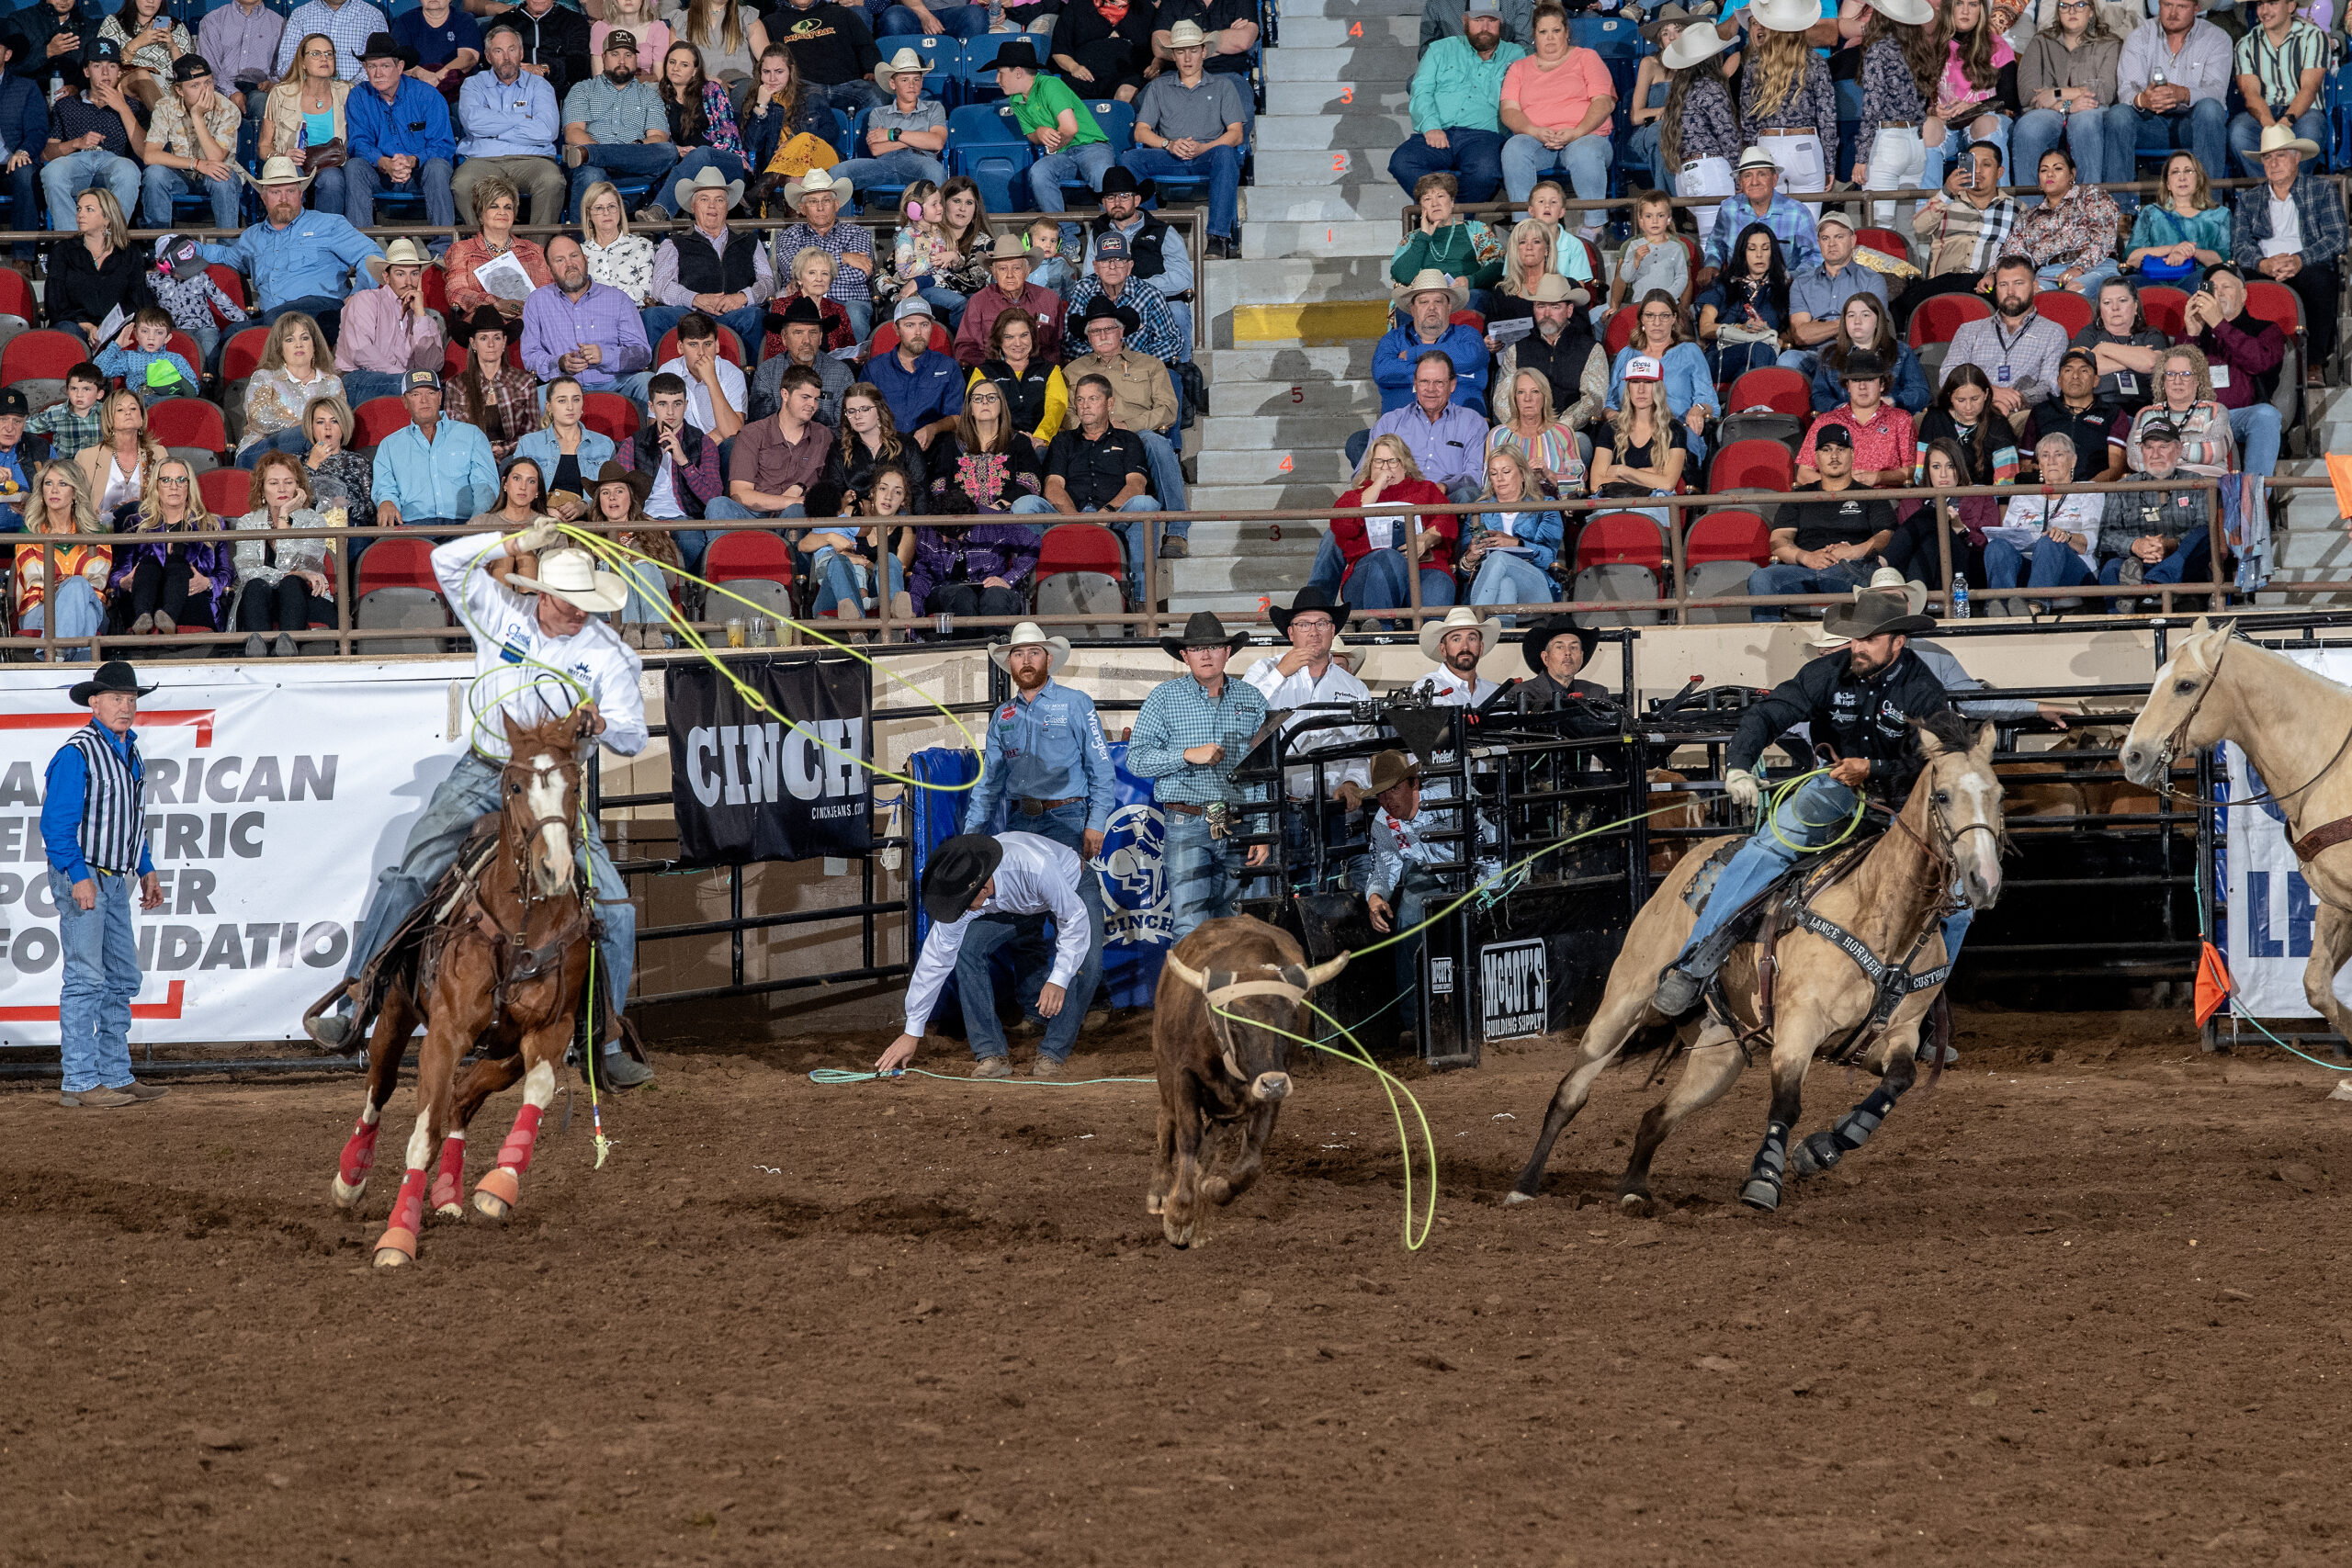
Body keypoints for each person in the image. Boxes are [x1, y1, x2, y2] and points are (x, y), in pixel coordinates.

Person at [308, 519, 649, 1089]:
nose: (580, 613)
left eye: (587, 604)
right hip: (485, 770)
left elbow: (635, 734)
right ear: (544, 594)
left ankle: (602, 1040)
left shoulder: (608, 653)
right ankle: (356, 997)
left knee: (614, 908)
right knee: (411, 873)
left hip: (552, 788)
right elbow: (446, 564)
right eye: (571, 602)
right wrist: (513, 544)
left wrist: (603, 722)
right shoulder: (502, 614)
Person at [1651, 587, 1957, 1016]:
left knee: (1955, 899)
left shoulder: (1923, 689)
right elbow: (1769, 713)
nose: (1857, 647)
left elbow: (1939, 757)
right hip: (1835, 790)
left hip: (1902, 802)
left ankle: (1919, 1007)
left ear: (1897, 642)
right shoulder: (1827, 672)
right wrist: (1739, 765)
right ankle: (1693, 963)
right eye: (1854, 638)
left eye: (1868, 639)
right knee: (1763, 851)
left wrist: (1874, 769)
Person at [876, 829, 1104, 1079]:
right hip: (1016, 903)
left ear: (983, 889)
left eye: (964, 905)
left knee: (1087, 967)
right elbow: (936, 957)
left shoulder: (1032, 866)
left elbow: (1073, 917)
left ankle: (1052, 1054)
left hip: (1072, 884)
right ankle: (991, 1054)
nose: (960, 911)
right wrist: (913, 1029)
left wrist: (1058, 979)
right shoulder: (965, 887)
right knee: (967, 948)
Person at [42, 660, 168, 1110]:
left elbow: (132, 821)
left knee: (121, 977)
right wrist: (78, 877)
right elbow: (56, 826)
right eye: (118, 698)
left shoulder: (128, 752)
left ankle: (114, 1074)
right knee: (86, 978)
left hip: (115, 877)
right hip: (89, 875)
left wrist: (146, 866)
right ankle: (79, 1081)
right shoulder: (77, 753)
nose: (127, 707)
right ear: (94, 703)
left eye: (132, 699)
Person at [1126, 611, 1272, 939]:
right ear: (1185, 655)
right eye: (1197, 648)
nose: (1206, 654)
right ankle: (1193, 993)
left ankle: (1228, 992)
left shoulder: (1252, 698)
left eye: (1214, 646)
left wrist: (1263, 829)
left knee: (1239, 929)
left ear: (1227, 651)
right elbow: (1136, 760)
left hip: (1240, 824)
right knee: (1190, 928)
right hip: (1187, 822)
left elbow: (1263, 768)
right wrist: (1186, 756)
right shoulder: (1164, 698)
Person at [1240, 586, 1376, 882]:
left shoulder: (1354, 688)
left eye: (1322, 624)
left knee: (1327, 890)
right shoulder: (1262, 671)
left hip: (1331, 809)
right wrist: (1280, 673)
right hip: (1276, 806)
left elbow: (1363, 747)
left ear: (1332, 631)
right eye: (1304, 624)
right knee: (1276, 892)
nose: (1313, 632)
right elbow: (1240, 722)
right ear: (1291, 633)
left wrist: (1353, 781)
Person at [194, 155, 388, 344]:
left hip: (323, 312)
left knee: (281, 318)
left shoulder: (328, 224)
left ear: (301, 194)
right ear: (264, 197)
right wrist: (190, 247)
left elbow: (371, 255)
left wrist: (359, 294)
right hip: (274, 319)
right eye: (275, 192)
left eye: (290, 191)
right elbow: (226, 256)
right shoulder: (252, 237)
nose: (284, 199)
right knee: (231, 334)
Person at [962, 620, 1115, 859]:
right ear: (1010, 663)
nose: (1026, 661)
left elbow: (1101, 766)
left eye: (1034, 652)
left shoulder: (1076, 703)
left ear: (1048, 659)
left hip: (1067, 817)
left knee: (1076, 892)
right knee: (1024, 893)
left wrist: (1096, 823)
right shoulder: (1002, 715)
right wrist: (972, 832)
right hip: (1020, 819)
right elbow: (989, 780)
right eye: (1019, 654)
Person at [1122, 19, 1248, 257]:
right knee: (1130, 159)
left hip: (1208, 155)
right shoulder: (1159, 87)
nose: (1187, 58)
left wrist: (1204, 148)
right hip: (1170, 155)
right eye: (1181, 52)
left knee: (1226, 153)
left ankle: (1218, 237)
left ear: (1203, 52)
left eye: (1193, 51)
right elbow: (1141, 131)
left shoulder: (1223, 85)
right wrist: (1169, 144)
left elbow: (1236, 133)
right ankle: (1151, 232)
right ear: (1174, 56)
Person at [1060, 296, 1189, 526]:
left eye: (1109, 328)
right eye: (1095, 331)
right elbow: (1068, 412)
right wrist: (1094, 430)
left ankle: (1177, 531)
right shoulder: (1072, 370)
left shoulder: (1151, 365)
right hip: (1089, 437)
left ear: (1122, 332)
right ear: (1087, 337)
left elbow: (1168, 409)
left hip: (1138, 435)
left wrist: (1128, 427)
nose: (1102, 335)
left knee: (1158, 443)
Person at [1747, 424, 1896, 618]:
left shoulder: (1870, 495)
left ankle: (1869, 643)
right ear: (1816, 457)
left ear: (1852, 454)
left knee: (1877, 579)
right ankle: (1769, 644)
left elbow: (1886, 535)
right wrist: (1806, 557)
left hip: (1852, 570)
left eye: (1841, 449)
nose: (1834, 456)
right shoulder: (1800, 496)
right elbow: (1778, 540)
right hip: (1803, 570)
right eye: (1826, 450)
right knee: (1761, 578)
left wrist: (1852, 552)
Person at [2233, 120, 2346, 376]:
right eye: (2268, 157)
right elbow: (2239, 245)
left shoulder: (2321, 190)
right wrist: (2264, 264)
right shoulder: (2249, 199)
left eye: (2280, 156)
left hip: (2308, 264)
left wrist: (2298, 260)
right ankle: (2255, 365)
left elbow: (2337, 237)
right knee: (2243, 284)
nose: (2273, 163)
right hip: (2263, 266)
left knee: (2320, 281)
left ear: (2296, 158)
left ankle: (2314, 363)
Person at [1390, 0, 1521, 205]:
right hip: (1438, 132)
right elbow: (1421, 90)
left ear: (1501, 23)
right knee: (1402, 162)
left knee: (1485, 172)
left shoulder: (1516, 55)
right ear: (1465, 20)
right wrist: (1431, 126)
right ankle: (1448, 213)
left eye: (1492, 20)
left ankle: (1451, 219)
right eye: (1478, 20)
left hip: (1485, 137)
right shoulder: (1440, 49)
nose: (1485, 27)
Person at [1037, 374, 1159, 595]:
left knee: (1146, 504)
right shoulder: (1063, 441)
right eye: (1080, 400)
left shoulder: (1128, 439)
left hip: (1113, 517)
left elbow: (1136, 485)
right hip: (1068, 516)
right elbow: (1053, 486)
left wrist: (1105, 514)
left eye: (1092, 399)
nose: (1085, 406)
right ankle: (1034, 597)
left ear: (1109, 403)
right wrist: (1074, 520)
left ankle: (1142, 601)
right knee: (1026, 505)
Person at [990, 39, 1111, 246]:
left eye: (1001, 72)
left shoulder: (1050, 84)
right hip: (1064, 153)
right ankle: (1066, 237)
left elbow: (1070, 128)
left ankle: (1109, 233)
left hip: (1091, 146)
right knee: (1039, 173)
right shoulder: (1016, 98)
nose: (996, 79)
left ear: (1018, 72)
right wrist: (1040, 132)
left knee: (1101, 172)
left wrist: (1052, 145)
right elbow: (1031, 135)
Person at [1328, 434, 1457, 621]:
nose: (1385, 467)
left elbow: (1446, 520)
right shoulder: (1352, 497)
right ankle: (1381, 633)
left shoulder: (1426, 490)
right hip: (1368, 572)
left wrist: (1425, 539)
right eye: (1379, 462)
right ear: (1369, 465)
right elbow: (1343, 526)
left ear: (1405, 464)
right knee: (1388, 558)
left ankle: (1432, 642)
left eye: (1392, 461)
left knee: (1439, 584)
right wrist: (1378, 485)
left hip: (1423, 566)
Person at [2010, 0, 2130, 200]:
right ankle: (2030, 212)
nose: (2072, 10)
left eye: (2080, 4)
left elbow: (2105, 91)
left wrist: (2056, 95)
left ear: (2091, 11)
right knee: (2029, 126)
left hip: (2089, 109)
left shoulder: (2110, 43)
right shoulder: (2041, 41)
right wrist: (2067, 102)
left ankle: (2089, 206)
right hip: (2052, 111)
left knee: (2086, 122)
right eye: (2064, 5)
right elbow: (2027, 93)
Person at [643, 164, 771, 352]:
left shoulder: (750, 240)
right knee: (653, 317)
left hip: (734, 314)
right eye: (704, 199)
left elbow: (768, 282)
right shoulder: (674, 243)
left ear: (727, 207)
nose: (712, 205)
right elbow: (660, 287)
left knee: (755, 316)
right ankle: (660, 380)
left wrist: (743, 297)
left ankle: (753, 378)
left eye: (719, 200)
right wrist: (695, 299)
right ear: (693, 207)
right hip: (689, 315)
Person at [2184, 262, 2284, 491]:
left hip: (2241, 416)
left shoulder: (2265, 329)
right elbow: (2174, 383)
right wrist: (2190, 335)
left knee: (2266, 415)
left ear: (2243, 293)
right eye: (2212, 288)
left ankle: (2252, 505)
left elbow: (2260, 363)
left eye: (2226, 287)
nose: (2218, 293)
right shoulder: (2195, 331)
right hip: (2198, 417)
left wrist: (2219, 324)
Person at [453, 23, 566, 226]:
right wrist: (522, 118)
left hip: (532, 159)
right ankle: (483, 250)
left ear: (521, 53)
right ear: (488, 57)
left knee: (552, 181)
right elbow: (473, 123)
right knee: (462, 184)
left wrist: (493, 132)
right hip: (483, 160)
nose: (506, 57)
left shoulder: (540, 85)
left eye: (512, 49)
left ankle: (537, 252)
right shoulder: (473, 85)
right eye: (498, 51)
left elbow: (547, 131)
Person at [521, 233, 654, 404]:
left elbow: (641, 354)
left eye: (574, 256)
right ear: (549, 269)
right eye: (560, 260)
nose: (570, 265)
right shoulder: (537, 301)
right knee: (531, 399)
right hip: (562, 387)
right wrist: (559, 363)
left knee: (648, 383)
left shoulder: (618, 299)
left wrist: (605, 356)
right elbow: (530, 357)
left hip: (616, 383)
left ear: (585, 259)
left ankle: (657, 433)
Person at [2115, 0, 2231, 196]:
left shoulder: (2217, 38)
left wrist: (2183, 94)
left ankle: (2209, 208)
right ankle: (2119, 211)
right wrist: (2144, 99)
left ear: (2196, 8)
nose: (2173, 13)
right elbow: (2126, 89)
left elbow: (2217, 91)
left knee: (2210, 109)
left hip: (2192, 124)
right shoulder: (2139, 36)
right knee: (2117, 115)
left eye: (2181, 7)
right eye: (2167, 5)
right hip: (2150, 124)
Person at [370, 370, 497, 547]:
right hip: (413, 528)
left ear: (440, 397)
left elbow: (485, 486)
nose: (424, 400)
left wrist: (478, 520)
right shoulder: (389, 445)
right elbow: (385, 488)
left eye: (430, 393)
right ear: (405, 401)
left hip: (464, 524)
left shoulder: (472, 435)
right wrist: (386, 502)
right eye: (416, 394)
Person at [560, 28, 675, 223]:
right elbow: (573, 133)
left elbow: (658, 138)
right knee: (590, 174)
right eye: (615, 54)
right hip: (593, 171)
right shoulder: (583, 90)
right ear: (603, 57)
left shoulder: (649, 95)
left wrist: (620, 153)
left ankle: (596, 156)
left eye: (628, 55)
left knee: (668, 151)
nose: (622, 61)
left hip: (632, 169)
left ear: (636, 59)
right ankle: (578, 245)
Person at [343, 31, 455, 229]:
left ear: (400, 66)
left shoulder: (427, 95)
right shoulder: (358, 96)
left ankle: (444, 245)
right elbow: (358, 143)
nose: (378, 74)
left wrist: (412, 161)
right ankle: (362, 247)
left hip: (421, 173)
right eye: (372, 66)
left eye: (385, 66)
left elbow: (443, 145)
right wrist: (384, 162)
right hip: (380, 173)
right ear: (364, 68)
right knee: (354, 167)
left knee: (438, 167)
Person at [1939, 254, 2067, 424]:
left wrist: (2013, 400)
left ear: (2035, 287)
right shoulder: (1969, 330)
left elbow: (2051, 387)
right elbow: (1947, 376)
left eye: (2018, 283)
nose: (2010, 292)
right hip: (1971, 411)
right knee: (1925, 420)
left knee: (2023, 421)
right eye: (2003, 284)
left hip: (2020, 414)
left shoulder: (2053, 332)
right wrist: (1989, 394)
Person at [1984, 430, 2106, 607]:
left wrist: (2067, 537)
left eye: (2059, 455)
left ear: (2073, 461)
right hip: (2028, 567)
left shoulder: (2088, 491)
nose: (2052, 461)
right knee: (1997, 546)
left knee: (2050, 540)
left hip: (2072, 569)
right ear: (2039, 463)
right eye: (2045, 455)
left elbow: (2093, 541)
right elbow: (2008, 537)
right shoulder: (2022, 495)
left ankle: (2036, 606)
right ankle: (1999, 608)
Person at [109, 457, 230, 634]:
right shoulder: (135, 524)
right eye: (166, 480)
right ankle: (143, 621)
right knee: (148, 564)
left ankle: (168, 618)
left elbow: (226, 572)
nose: (175, 487)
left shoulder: (212, 525)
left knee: (178, 564)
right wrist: (123, 582)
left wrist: (208, 583)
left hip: (193, 601)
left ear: (190, 486)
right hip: (145, 601)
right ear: (155, 486)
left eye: (181, 480)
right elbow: (118, 572)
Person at [2097, 416, 2215, 596]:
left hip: (2182, 564)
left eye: (2163, 447)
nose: (2155, 454)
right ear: (2141, 451)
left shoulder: (2197, 483)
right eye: (2149, 447)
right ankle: (2119, 621)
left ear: (2178, 449)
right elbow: (2105, 536)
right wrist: (2134, 545)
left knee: (2204, 534)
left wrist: (2171, 544)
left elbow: (2204, 530)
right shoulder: (2122, 487)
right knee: (2111, 568)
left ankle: (2155, 581)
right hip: (2135, 561)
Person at [1898, 140, 2016, 320]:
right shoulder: (1947, 201)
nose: (1977, 171)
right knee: (1899, 306)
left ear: (2000, 172)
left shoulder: (2017, 209)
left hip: (1986, 284)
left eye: (1986, 165)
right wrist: (1947, 192)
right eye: (1973, 164)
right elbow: (1920, 226)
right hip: (1943, 282)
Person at [228, 451, 331, 656]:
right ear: (262, 489)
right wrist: (294, 573)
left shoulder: (314, 522)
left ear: (298, 486)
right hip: (258, 600)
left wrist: (284, 516)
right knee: (256, 585)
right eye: (274, 483)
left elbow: (291, 564)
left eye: (289, 482)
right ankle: (258, 652)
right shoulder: (248, 522)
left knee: (291, 585)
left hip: (303, 598)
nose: (282, 489)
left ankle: (287, 650)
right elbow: (247, 572)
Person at [709, 358, 828, 531]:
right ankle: (725, 556)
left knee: (798, 511)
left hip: (794, 518)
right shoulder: (753, 433)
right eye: (805, 397)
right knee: (718, 505)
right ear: (785, 394)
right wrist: (790, 500)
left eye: (816, 399)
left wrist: (798, 498)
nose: (812, 405)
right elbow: (740, 494)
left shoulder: (823, 436)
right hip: (754, 514)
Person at [40, 38, 143, 235]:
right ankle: (73, 242)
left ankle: (111, 240)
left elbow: (145, 151)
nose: (105, 73)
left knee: (129, 171)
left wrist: (122, 107)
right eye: (97, 66)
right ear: (87, 71)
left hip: (111, 162)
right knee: (52, 172)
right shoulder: (67, 104)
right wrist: (76, 143)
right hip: (76, 161)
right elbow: (47, 154)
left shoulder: (132, 106)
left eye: (112, 66)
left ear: (119, 72)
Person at [1851, 0, 1939, 228]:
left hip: (1887, 144)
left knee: (1881, 227)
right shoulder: (1921, 50)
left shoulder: (1879, 50)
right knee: (1907, 228)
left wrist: (1861, 157)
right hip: (1915, 145)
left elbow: (1872, 106)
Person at [1736, 0, 1836, 200]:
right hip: (1805, 146)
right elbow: (1827, 118)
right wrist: (1829, 163)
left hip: (1767, 146)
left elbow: (1747, 119)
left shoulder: (1755, 63)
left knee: (1771, 226)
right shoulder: (1816, 61)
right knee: (1807, 226)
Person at [623, 372, 724, 567]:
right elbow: (622, 493)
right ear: (651, 407)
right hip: (644, 519)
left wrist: (684, 462)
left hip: (687, 520)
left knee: (690, 542)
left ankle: (691, 593)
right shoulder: (633, 444)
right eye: (662, 404)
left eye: (677, 404)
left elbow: (713, 499)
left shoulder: (703, 443)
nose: (670, 412)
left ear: (685, 405)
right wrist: (647, 522)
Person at [1655, 18, 1742, 241]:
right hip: (1711, 170)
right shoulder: (1711, 87)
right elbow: (1728, 136)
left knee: (1708, 238)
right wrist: (1740, 175)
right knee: (1718, 240)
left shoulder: (1679, 89)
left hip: (1685, 173)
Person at [1363, 351, 1489, 503]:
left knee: (1468, 494)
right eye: (1424, 381)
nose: (1431, 389)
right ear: (1415, 384)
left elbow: (1476, 475)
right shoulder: (1389, 422)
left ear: (1452, 385)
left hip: (1448, 500)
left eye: (1439, 382)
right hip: (1397, 499)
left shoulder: (1472, 422)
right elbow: (1363, 472)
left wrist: (1444, 486)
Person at [333, 236, 444, 409]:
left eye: (414, 274)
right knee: (424, 389)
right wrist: (407, 378)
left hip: (406, 385)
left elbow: (430, 367)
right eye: (400, 274)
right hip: (358, 380)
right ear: (386, 276)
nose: (409, 282)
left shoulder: (427, 320)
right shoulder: (367, 299)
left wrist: (420, 316)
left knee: (434, 388)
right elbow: (360, 351)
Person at [1919, 0, 2016, 197]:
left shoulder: (1997, 45)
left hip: (1985, 119)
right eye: (1959, 3)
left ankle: (1998, 203)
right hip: (1946, 124)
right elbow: (1916, 101)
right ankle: (1927, 208)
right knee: (1928, 126)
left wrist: (1972, 106)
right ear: (1948, 8)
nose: (1965, 11)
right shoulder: (1931, 45)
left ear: (1981, 10)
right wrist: (1933, 111)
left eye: (1972, 4)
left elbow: (2010, 98)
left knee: (1986, 123)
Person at [1086, 166, 1193, 344]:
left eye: (1124, 195)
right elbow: (1090, 276)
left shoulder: (1162, 231)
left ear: (1137, 199)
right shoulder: (1098, 232)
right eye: (1110, 197)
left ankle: (1181, 367)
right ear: (1103, 203)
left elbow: (1183, 278)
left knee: (1178, 311)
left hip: (1159, 300)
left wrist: (1138, 289)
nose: (1117, 201)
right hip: (1112, 301)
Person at [1491, 273, 1602, 438]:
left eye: (1555, 307)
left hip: (1569, 433)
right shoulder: (1516, 350)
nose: (1547, 313)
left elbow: (1593, 401)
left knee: (1580, 441)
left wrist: (1555, 430)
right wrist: (1523, 429)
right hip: (1522, 431)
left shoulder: (1591, 349)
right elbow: (1501, 400)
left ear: (1569, 310)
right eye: (1541, 306)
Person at [140, 55, 242, 235]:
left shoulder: (227, 108)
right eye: (195, 86)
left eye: (208, 83)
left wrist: (197, 116)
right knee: (154, 174)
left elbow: (216, 158)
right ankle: (160, 244)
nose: (205, 91)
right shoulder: (165, 106)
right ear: (179, 90)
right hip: (182, 175)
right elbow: (150, 155)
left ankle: (228, 249)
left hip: (218, 173)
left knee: (222, 179)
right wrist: (196, 164)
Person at [1779, 211, 1888, 378]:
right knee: (1788, 359)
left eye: (1839, 237)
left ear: (1852, 241)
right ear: (1819, 244)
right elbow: (1801, 335)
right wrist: (1846, 323)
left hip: (1855, 354)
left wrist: (1820, 326)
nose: (1832, 244)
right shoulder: (1802, 283)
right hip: (1814, 356)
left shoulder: (1872, 280)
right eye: (1825, 238)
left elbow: (1872, 328)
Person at [15, 460, 107, 655]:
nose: (54, 490)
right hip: (39, 610)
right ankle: (80, 671)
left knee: (81, 595)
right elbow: (35, 581)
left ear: (75, 492)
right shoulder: (28, 533)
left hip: (86, 603)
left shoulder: (96, 533)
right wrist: (71, 587)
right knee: (85, 611)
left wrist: (70, 587)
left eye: (63, 484)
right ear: (41, 491)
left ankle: (54, 656)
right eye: (48, 483)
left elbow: (97, 582)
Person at [1458, 446, 1562, 618]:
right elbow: (1464, 572)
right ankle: (1502, 634)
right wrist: (1470, 558)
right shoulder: (1479, 510)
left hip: (1536, 584)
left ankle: (1474, 623)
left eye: (1506, 471)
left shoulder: (1545, 505)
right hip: (1492, 588)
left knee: (1499, 558)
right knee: (1506, 584)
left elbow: (1548, 558)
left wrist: (1516, 543)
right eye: (1493, 473)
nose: (1500, 479)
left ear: (1522, 474)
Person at [771, 166, 874, 340]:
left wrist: (809, 274)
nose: (820, 207)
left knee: (854, 314)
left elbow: (858, 274)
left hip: (849, 301)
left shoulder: (857, 233)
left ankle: (852, 366)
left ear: (837, 204)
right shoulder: (789, 235)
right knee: (785, 314)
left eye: (826, 200)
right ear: (802, 208)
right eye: (813, 202)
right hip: (802, 302)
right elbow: (791, 268)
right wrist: (843, 257)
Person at [2229, 0, 2327, 177]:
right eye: (2260, 4)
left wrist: (2284, 124)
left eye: (2272, 3)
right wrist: (2270, 127)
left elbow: (2309, 88)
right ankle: (2268, 192)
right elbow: (2250, 92)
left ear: (2291, 6)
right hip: (2262, 114)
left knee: (2311, 129)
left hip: (2303, 113)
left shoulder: (2313, 36)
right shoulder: (2246, 45)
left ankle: (2291, 190)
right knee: (2239, 132)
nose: (2264, 11)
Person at [1061, 231, 1185, 369]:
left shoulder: (1150, 294)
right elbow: (1068, 341)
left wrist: (1131, 360)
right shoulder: (1083, 289)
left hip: (1138, 369)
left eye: (1119, 260)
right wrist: (1102, 360)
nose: (1112, 266)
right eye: (1105, 260)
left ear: (1130, 266)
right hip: (1094, 369)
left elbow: (1172, 341)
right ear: (1095, 267)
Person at [830, 47, 947, 193]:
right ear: (893, 84)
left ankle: (934, 215)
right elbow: (876, 148)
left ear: (922, 81)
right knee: (837, 172)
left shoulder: (934, 108)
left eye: (916, 79)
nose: (912, 85)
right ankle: (840, 216)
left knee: (934, 170)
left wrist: (892, 134)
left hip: (920, 162)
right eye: (905, 80)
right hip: (883, 164)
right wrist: (916, 140)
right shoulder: (878, 113)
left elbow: (937, 142)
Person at [259, 31, 352, 215]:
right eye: (315, 54)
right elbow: (263, 147)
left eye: (329, 54)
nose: (324, 59)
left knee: (332, 179)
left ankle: (326, 238)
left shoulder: (347, 92)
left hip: (332, 165)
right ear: (302, 63)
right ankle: (292, 238)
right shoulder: (280, 95)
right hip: (293, 164)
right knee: (291, 176)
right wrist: (281, 156)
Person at [1374, 270, 1489, 415]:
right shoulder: (1394, 339)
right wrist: (1448, 372)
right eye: (1424, 302)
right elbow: (1382, 372)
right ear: (1412, 309)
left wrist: (1414, 354)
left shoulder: (1467, 335)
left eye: (1438, 301)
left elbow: (1473, 356)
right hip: (1401, 431)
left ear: (1448, 307)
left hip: (1462, 430)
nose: (1431, 307)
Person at [2010, 146, 2122, 295]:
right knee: (2031, 295)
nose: (2050, 174)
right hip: (2048, 273)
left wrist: (2079, 267)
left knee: (2075, 290)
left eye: (2057, 169)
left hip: (2095, 267)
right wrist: (1992, 275)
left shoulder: (2092, 197)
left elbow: (2104, 237)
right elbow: (2012, 252)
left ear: (2072, 175)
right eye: (2044, 170)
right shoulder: (2028, 217)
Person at [236, 309, 342, 466]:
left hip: (310, 454)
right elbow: (259, 419)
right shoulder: (265, 377)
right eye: (290, 340)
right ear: (280, 347)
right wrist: (294, 425)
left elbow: (342, 423)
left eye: (305, 338)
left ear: (315, 344)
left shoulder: (332, 382)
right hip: (259, 450)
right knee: (310, 432)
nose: (299, 345)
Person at [932, 377, 1048, 517]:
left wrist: (997, 507)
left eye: (992, 398)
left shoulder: (1019, 442)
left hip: (1006, 519)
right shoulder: (950, 444)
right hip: (961, 523)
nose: (985, 402)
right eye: (978, 399)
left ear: (1001, 406)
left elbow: (1030, 483)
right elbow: (938, 486)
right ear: (970, 409)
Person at [1795, 348, 1915, 485]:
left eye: (1869, 380)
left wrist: (1879, 477)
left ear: (1882, 384)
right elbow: (1803, 474)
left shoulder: (1901, 420)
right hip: (1835, 499)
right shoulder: (1826, 421)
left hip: (1886, 499)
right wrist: (1842, 484)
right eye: (1856, 380)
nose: (1862, 386)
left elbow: (1912, 471)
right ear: (1848, 386)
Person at [1701, 146, 1820, 281]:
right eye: (1747, 176)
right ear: (1740, 182)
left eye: (1762, 174)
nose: (1754, 182)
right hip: (1737, 289)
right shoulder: (1729, 208)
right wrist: (1712, 265)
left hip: (1782, 291)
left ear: (1774, 179)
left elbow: (1814, 255)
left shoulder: (1797, 212)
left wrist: (1790, 278)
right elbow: (1716, 243)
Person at [444, 175, 550, 326]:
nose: (502, 212)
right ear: (480, 215)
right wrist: (495, 303)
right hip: (485, 327)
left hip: (532, 324)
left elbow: (547, 292)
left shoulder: (534, 251)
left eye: (508, 207)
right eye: (494, 206)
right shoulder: (462, 250)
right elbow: (456, 291)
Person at [443, 306, 541, 465]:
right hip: (470, 460)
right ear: (473, 344)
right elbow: (451, 433)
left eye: (496, 337)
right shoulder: (456, 385)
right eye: (483, 338)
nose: (491, 344)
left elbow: (532, 432)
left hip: (513, 460)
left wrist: (506, 450)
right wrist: (480, 453)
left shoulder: (524, 382)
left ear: (504, 342)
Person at [955, 231, 1069, 367]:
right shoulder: (978, 301)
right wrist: (993, 369)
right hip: (993, 374)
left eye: (1016, 268)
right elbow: (965, 348)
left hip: (1040, 372)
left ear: (1027, 271)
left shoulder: (1049, 299)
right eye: (1003, 269)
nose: (1010, 275)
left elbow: (1058, 344)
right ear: (994, 272)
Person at [1698, 222, 1792, 385]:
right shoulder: (1724, 285)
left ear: (1773, 252)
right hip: (1722, 355)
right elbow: (1705, 327)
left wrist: (1772, 336)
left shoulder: (1784, 289)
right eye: (1752, 249)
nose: (1759, 255)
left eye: (1765, 248)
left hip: (1763, 355)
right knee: (1758, 350)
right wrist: (1740, 328)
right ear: (1743, 252)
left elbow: (1789, 334)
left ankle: (1744, 408)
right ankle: (1756, 408)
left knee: (1759, 354)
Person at [866, 296, 965, 446]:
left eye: (924, 325)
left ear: (931, 327)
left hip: (933, 449)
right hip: (885, 447)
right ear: (897, 330)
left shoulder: (948, 367)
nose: (918, 332)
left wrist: (933, 428)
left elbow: (957, 418)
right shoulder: (874, 368)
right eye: (910, 325)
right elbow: (861, 412)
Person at [513, 376, 615, 520]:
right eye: (562, 400)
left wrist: (584, 506)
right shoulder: (529, 443)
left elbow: (615, 492)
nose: (570, 407)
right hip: (538, 522)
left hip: (589, 524)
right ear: (549, 407)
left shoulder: (604, 444)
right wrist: (543, 511)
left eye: (576, 399)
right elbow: (515, 491)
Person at [2124, 150, 2230, 288]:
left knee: (2204, 281)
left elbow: (2222, 261)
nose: (2182, 178)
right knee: (2127, 285)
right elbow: (2132, 258)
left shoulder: (2219, 214)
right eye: (2175, 172)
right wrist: (2173, 249)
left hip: (2196, 277)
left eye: (2188, 171)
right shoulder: (2151, 213)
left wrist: (2189, 252)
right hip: (2155, 278)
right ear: (2168, 183)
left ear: (2198, 178)